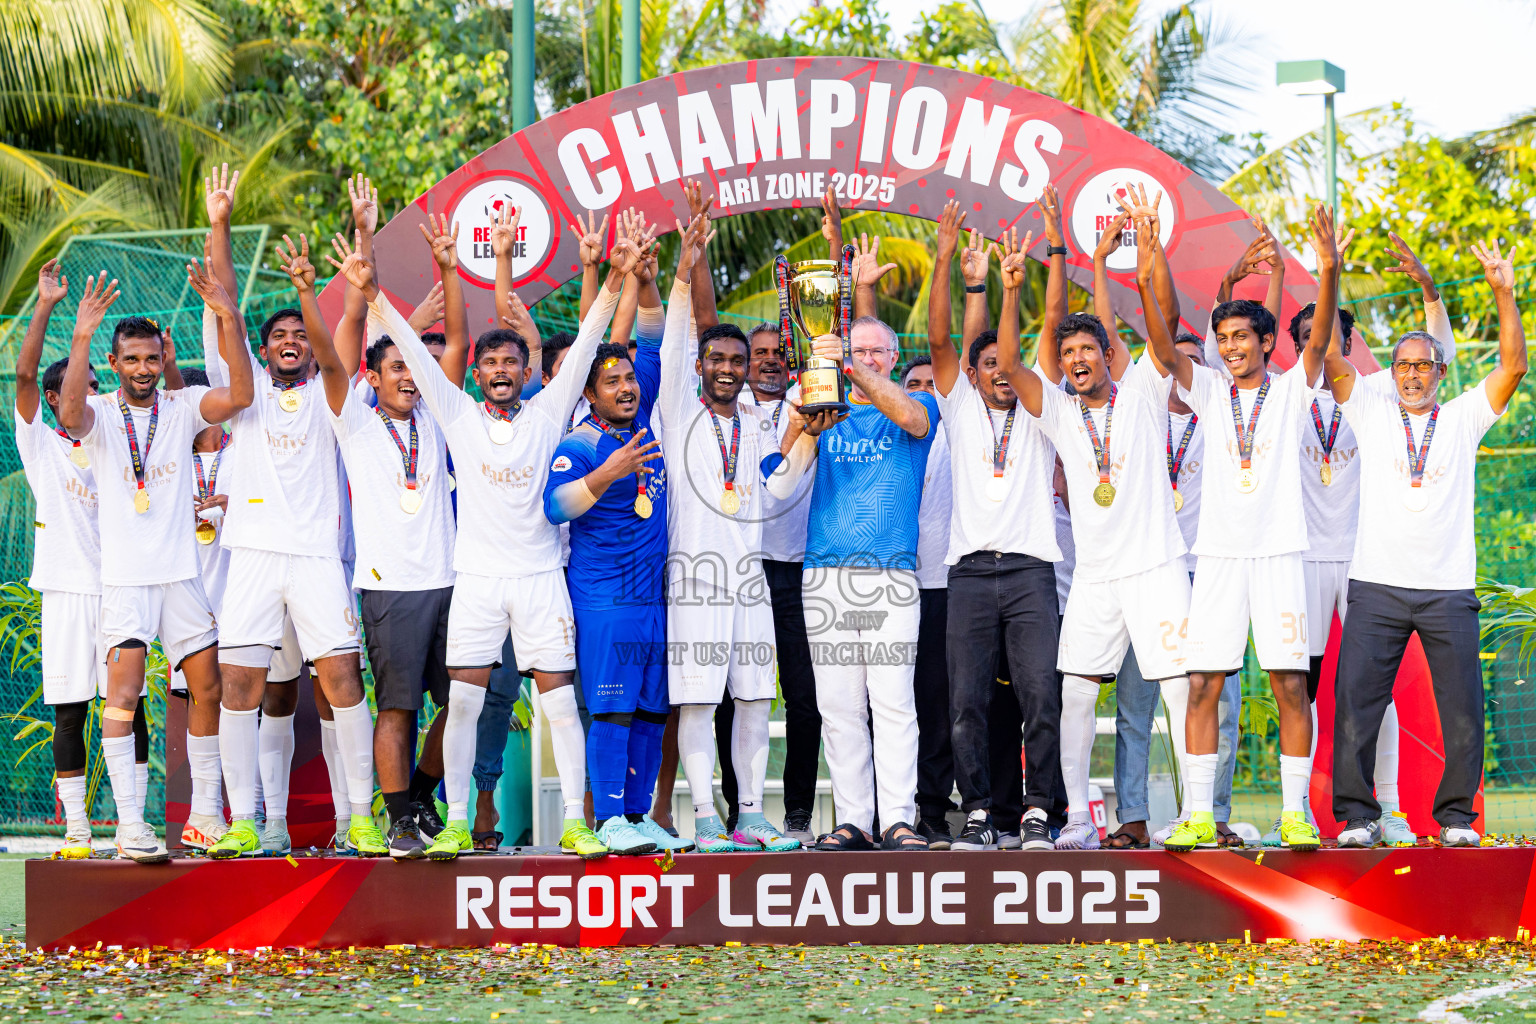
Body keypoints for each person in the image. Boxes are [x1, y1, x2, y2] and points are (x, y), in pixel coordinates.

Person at [334, 208, 632, 861]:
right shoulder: (456, 411)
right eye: (490, 361)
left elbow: (584, 347)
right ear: (476, 375)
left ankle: (578, 826)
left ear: (528, 373)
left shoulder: (550, 411)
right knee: (462, 707)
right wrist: (373, 294)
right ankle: (460, 824)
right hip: (475, 582)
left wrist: (613, 278)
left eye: (511, 362)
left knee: (557, 706)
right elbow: (412, 351)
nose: (499, 369)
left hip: (539, 580)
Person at [190, 168, 377, 860]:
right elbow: (224, 305)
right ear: (265, 350)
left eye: (301, 333)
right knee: (240, 686)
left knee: (342, 683)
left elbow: (349, 325)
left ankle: (360, 817)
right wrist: (220, 221)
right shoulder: (245, 396)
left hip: (318, 560)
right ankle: (244, 821)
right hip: (252, 556)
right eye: (281, 337)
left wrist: (339, 257)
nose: (292, 341)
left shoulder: (334, 395)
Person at [995, 203, 1192, 854]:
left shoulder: (1140, 392)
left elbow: (1162, 342)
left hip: (1158, 568)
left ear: (1110, 356)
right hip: (1097, 578)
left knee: (1177, 687)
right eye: (1069, 352)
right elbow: (1014, 366)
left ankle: (1196, 817)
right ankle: (1078, 817)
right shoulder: (1057, 410)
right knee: (1075, 692)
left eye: (1089, 350)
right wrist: (1012, 289)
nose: (1078, 359)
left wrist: (1130, 266)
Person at [1322, 222, 1524, 848]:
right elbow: (1330, 357)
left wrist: (1504, 293)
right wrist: (1329, 270)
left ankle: (1457, 820)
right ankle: (1358, 818)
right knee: (1356, 706)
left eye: (1422, 365)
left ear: (1440, 369)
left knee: (1461, 711)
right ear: (1394, 372)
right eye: (1402, 365)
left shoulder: (1463, 418)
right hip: (1378, 585)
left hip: (1446, 588)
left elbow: (1513, 364)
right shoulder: (1371, 410)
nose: (1411, 375)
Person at [1142, 193, 1330, 854]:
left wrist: (1327, 269)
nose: (1231, 348)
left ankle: (1295, 813)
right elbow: (1164, 346)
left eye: (1241, 338)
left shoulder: (1292, 391)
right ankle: (1196, 813)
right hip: (1218, 558)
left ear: (1264, 341)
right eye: (1222, 339)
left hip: (1280, 555)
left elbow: (1322, 337)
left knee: (1288, 684)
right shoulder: (1208, 390)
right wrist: (1148, 263)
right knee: (1203, 684)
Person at [56, 251, 253, 863]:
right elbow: (66, 413)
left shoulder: (183, 404)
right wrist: (83, 333)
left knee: (208, 687)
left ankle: (202, 817)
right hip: (126, 582)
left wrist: (225, 314)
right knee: (123, 696)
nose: (144, 368)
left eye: (152, 357)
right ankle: (132, 828)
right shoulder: (101, 419)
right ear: (114, 364)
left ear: (163, 358)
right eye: (132, 360)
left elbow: (242, 392)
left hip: (181, 579)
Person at [1282, 232, 1453, 849]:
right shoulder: (1281, 397)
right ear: (1300, 345)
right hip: (1300, 559)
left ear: (1349, 346)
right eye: (1309, 339)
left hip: (1362, 561)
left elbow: (1444, 355)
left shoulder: (1381, 390)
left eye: (1330, 338)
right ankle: (1295, 809)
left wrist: (1429, 289)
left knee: (1373, 690)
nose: (1321, 347)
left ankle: (1392, 808)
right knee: (1295, 686)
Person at [655, 204, 803, 854]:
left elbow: (777, 487)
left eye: (735, 360)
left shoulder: (755, 420)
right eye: (715, 358)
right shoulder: (678, 412)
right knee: (696, 702)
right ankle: (707, 817)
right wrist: (686, 268)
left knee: (750, 700)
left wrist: (806, 444)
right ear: (701, 365)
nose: (725, 367)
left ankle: (750, 813)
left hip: (750, 581)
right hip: (694, 580)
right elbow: (676, 339)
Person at [770, 301, 940, 851]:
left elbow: (911, 422)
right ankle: (853, 820)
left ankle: (897, 819)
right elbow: (779, 484)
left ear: (892, 358)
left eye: (873, 352)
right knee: (839, 707)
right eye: (855, 349)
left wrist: (849, 364)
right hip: (827, 574)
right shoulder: (823, 407)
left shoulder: (919, 403)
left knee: (892, 702)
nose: (864, 358)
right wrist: (800, 425)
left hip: (890, 573)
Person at [924, 198, 1064, 853]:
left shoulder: (1040, 410)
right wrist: (948, 261)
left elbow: (1048, 326)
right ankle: (977, 812)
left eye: (1005, 367)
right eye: (988, 369)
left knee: (1041, 693)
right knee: (966, 702)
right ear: (974, 377)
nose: (998, 375)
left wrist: (1015, 287)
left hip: (1033, 570)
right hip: (972, 573)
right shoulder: (956, 408)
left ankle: (1038, 811)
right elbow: (939, 341)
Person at [544, 224, 679, 859]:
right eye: (613, 382)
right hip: (605, 598)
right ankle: (606, 822)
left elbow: (651, 334)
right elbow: (555, 507)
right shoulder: (581, 444)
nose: (627, 386)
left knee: (652, 710)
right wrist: (607, 474)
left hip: (652, 596)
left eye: (629, 378)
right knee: (613, 709)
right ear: (591, 394)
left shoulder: (641, 411)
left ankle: (636, 815)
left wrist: (645, 278)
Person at [14, 260, 117, 858]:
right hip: (65, 592)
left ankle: (131, 823)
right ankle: (77, 830)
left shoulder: (115, 437)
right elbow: (25, 372)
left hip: (123, 589)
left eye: (93, 387)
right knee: (72, 713)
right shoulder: (42, 443)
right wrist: (48, 305)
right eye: (75, 389)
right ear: (55, 399)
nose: (86, 396)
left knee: (128, 710)